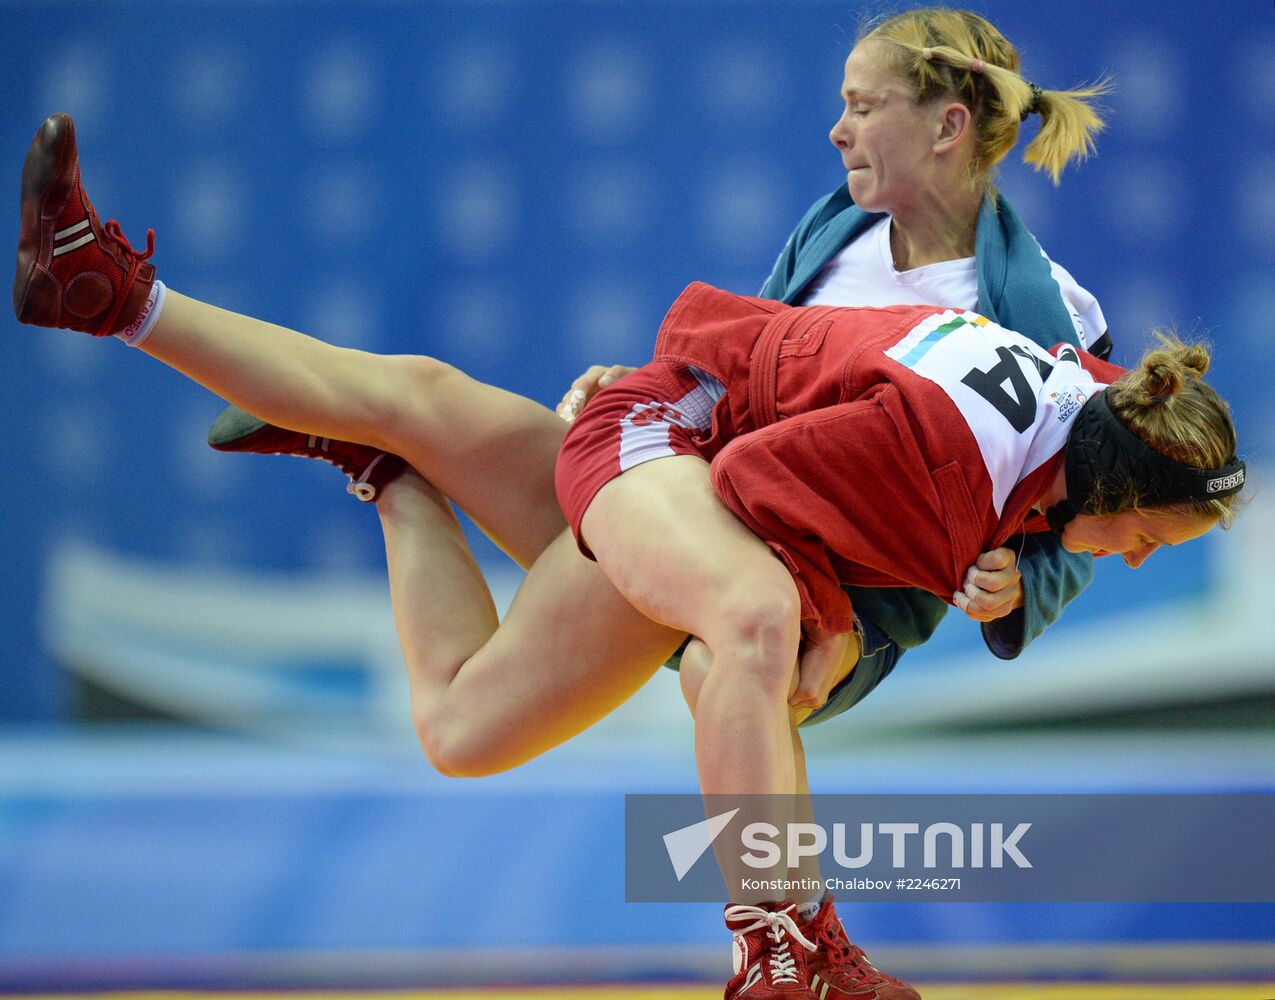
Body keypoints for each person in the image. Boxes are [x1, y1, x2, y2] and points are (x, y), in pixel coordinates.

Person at [14, 106, 1245, 1000]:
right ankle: (780, 945)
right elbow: (757, 494)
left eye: (865, 109)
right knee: (746, 634)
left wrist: (946, 586)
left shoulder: (1095, 377)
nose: (1135, 560)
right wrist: (820, 636)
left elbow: (1042, 499)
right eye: (1145, 537)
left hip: (684, 430)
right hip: (673, 446)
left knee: (422, 452)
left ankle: (120, 300)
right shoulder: (949, 458)